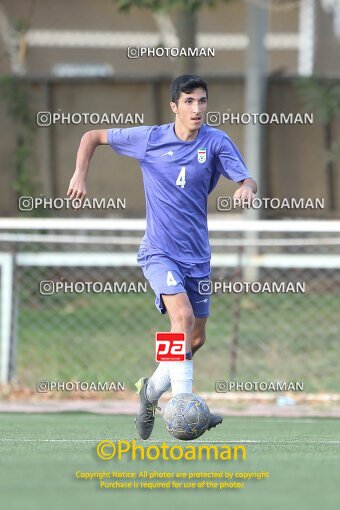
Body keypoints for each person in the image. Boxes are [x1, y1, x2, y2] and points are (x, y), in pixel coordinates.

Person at [67, 74, 257, 440]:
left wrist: (246, 189)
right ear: (174, 106)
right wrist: (80, 173)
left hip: (197, 256)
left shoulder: (216, 142)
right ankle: (184, 407)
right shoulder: (150, 139)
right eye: (188, 101)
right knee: (181, 318)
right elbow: (92, 137)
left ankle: (149, 393)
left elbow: (246, 180)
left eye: (202, 100)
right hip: (158, 251)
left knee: (195, 337)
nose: (196, 108)